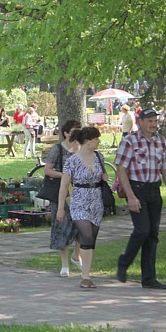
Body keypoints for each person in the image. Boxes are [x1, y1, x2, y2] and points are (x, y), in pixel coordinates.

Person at [115, 109, 166, 290]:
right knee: (142, 230)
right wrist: (130, 196)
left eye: (155, 121)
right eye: (149, 121)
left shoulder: (161, 141)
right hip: (137, 189)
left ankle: (149, 278)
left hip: (154, 191)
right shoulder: (130, 141)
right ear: (140, 121)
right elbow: (121, 169)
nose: (153, 124)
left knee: (152, 235)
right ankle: (124, 262)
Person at [56, 126, 107, 289]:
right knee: (86, 236)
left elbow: (103, 176)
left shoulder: (99, 157)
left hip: (96, 200)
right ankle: (85, 277)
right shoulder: (72, 161)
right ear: (87, 141)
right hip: (79, 200)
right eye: (96, 139)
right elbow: (64, 186)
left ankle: (86, 271)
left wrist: (104, 178)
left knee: (92, 238)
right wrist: (61, 208)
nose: (98, 141)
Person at [44, 119, 83, 277]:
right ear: (66, 133)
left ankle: (77, 254)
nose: (77, 133)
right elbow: (47, 170)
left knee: (82, 225)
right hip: (60, 193)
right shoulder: (58, 149)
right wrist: (65, 176)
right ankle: (64, 264)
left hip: (79, 192)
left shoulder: (82, 148)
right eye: (74, 130)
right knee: (62, 227)